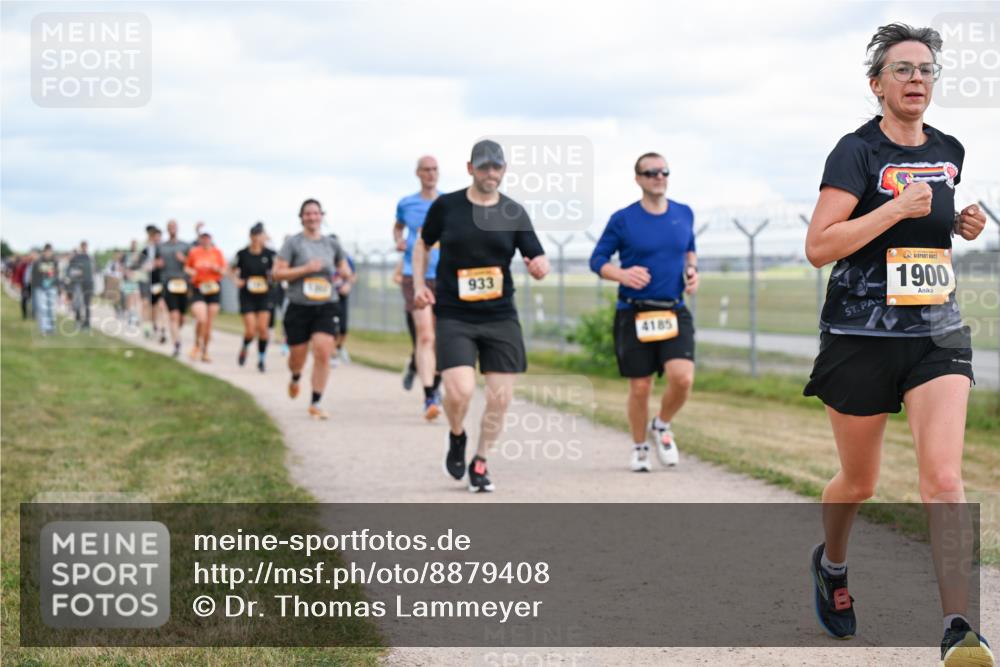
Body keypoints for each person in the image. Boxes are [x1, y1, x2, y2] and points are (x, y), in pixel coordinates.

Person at [803, 23, 992, 665]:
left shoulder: (949, 149)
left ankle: (959, 626)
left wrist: (958, 224)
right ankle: (831, 564)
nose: (917, 79)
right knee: (859, 482)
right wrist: (892, 210)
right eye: (903, 69)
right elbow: (819, 246)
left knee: (944, 479)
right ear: (877, 84)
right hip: (859, 336)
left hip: (936, 334)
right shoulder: (854, 152)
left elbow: (928, 228)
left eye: (926, 69)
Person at [413, 139, 549, 493]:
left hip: (500, 316)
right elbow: (422, 244)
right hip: (455, 314)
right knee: (459, 391)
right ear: (470, 168)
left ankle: (481, 459)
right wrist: (419, 285)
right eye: (484, 166)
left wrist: (540, 266)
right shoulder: (447, 206)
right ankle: (457, 434)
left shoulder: (513, 212)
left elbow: (536, 254)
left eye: (497, 167)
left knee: (500, 397)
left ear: (504, 170)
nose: (491, 173)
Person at [589, 152, 698, 472]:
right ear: (638, 179)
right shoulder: (623, 219)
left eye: (664, 171)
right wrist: (621, 275)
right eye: (651, 172)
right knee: (640, 387)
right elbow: (597, 260)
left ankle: (661, 424)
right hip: (634, 313)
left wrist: (693, 271)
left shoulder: (683, 213)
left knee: (683, 378)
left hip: (673, 309)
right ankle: (639, 448)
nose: (659, 176)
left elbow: (689, 250)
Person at [272, 199, 352, 420]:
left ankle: (316, 402)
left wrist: (345, 276)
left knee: (323, 351)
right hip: (299, 306)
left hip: (326, 305)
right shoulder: (293, 243)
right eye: (308, 213)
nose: (312, 217)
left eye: (316, 213)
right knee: (297, 358)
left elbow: (345, 269)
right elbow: (277, 274)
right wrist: (305, 269)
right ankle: (295, 376)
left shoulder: (332, 244)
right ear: (301, 218)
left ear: (322, 216)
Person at [394, 156, 443, 418]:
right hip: (415, 275)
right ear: (418, 173)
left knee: (441, 338)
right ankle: (429, 397)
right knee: (425, 336)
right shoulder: (406, 203)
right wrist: (399, 241)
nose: (431, 174)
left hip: (445, 275)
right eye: (426, 170)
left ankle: (420, 369)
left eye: (434, 169)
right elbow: (398, 227)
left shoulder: (447, 202)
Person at [231, 222, 277, 372]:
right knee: (251, 330)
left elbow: (277, 270)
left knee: (263, 329)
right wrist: (236, 280)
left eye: (260, 235)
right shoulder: (242, 254)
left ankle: (261, 359)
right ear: (251, 236)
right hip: (247, 295)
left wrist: (273, 277)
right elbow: (230, 269)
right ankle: (245, 346)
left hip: (265, 295)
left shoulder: (270, 254)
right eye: (255, 235)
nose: (258, 238)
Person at [184, 228, 225, 362]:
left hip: (213, 288)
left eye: (207, 237)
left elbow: (224, 270)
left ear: (211, 239)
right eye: (203, 237)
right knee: (202, 319)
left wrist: (217, 269)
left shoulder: (217, 252)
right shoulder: (194, 252)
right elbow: (187, 267)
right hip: (199, 288)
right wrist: (192, 272)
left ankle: (205, 351)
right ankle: (197, 344)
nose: (205, 240)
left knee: (208, 323)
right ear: (200, 239)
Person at [156, 220, 190, 357]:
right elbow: (156, 262)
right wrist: (158, 263)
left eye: (174, 226)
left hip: (182, 284)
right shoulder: (161, 247)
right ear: (167, 229)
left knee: (182, 318)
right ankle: (177, 344)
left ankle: (176, 332)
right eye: (170, 227)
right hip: (168, 283)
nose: (172, 229)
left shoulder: (185, 246)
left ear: (178, 228)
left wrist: (184, 260)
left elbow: (192, 263)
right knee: (173, 316)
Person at [30, 244, 60, 336]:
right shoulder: (37, 262)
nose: (48, 253)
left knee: (51, 309)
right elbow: (33, 276)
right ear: (44, 252)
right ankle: (43, 329)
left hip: (52, 287)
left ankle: (51, 328)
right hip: (40, 288)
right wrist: (33, 288)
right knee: (42, 308)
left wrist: (58, 286)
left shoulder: (55, 262)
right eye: (47, 251)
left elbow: (57, 275)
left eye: (50, 251)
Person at [65, 241, 95, 330]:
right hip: (78, 283)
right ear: (81, 247)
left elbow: (93, 271)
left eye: (86, 246)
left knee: (87, 304)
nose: (85, 248)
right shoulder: (76, 258)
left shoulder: (90, 258)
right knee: (78, 303)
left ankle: (87, 324)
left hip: (88, 283)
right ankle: (78, 321)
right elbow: (70, 271)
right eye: (83, 246)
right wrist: (76, 273)